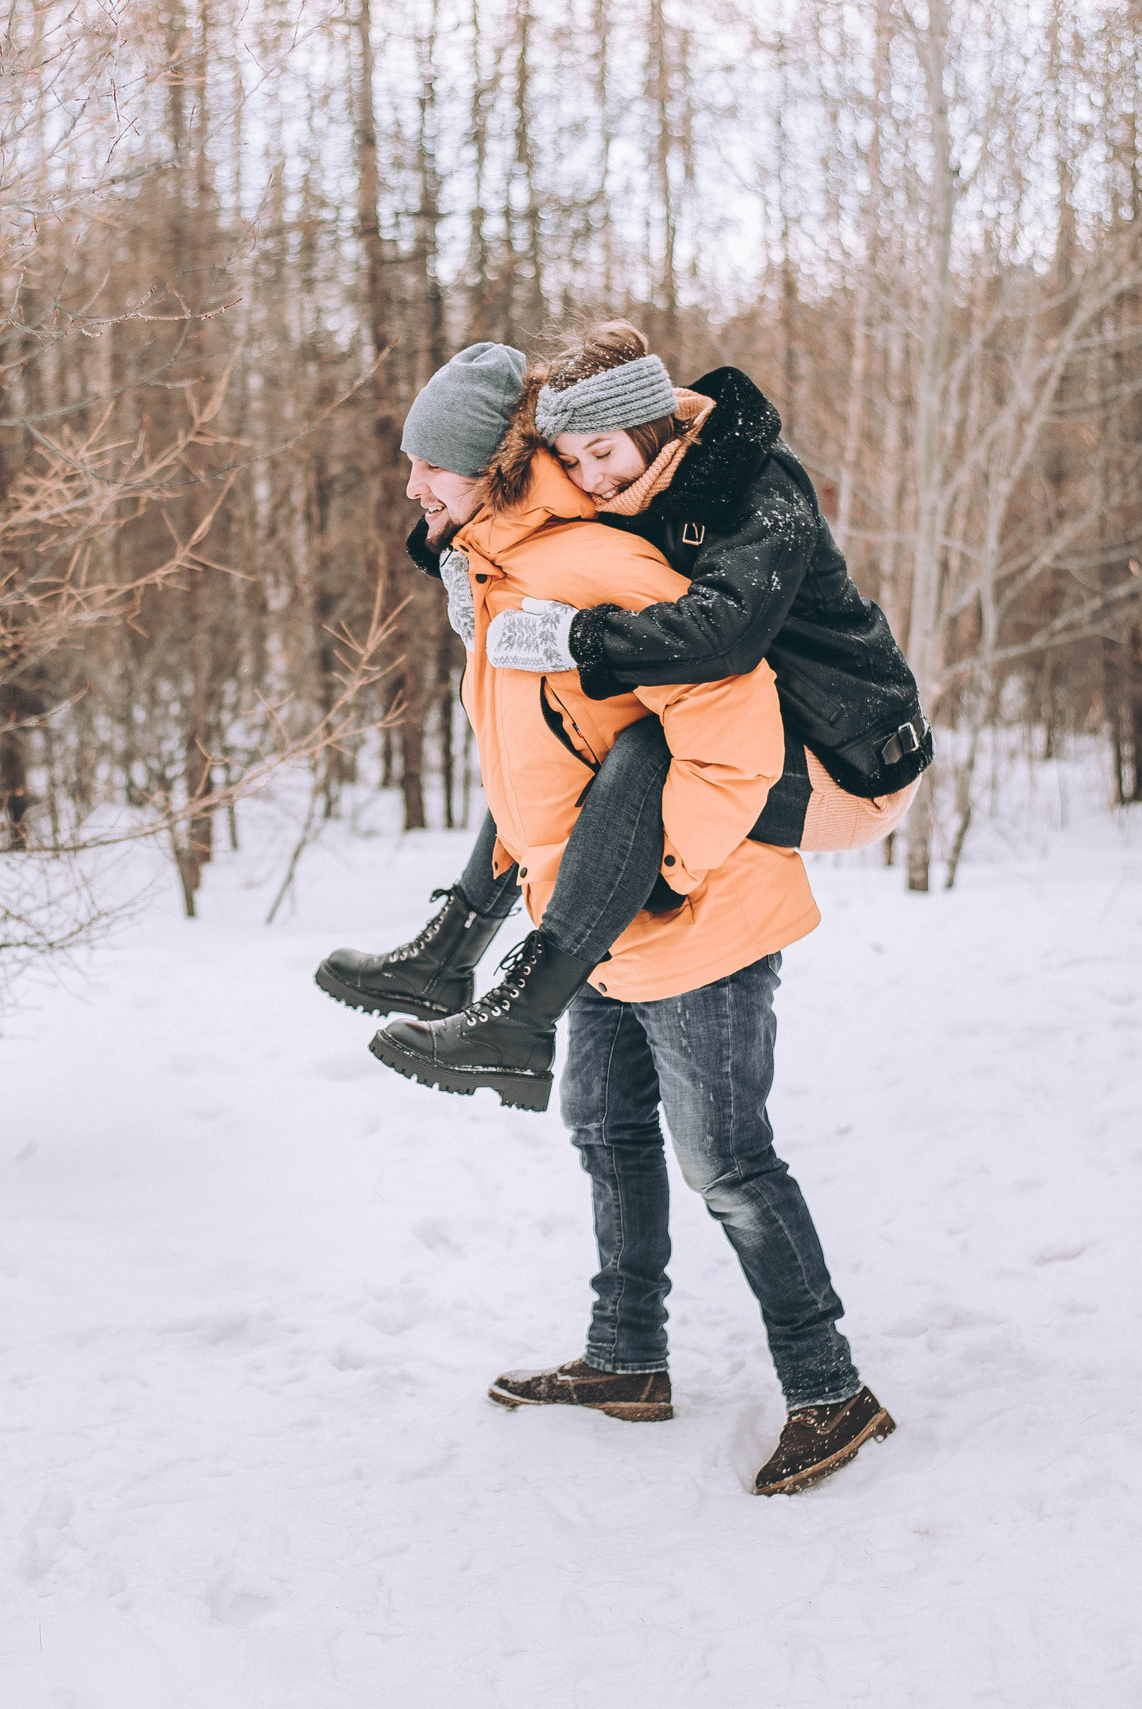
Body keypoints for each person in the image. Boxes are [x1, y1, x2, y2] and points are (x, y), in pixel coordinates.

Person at [355, 345, 896, 1496]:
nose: (409, 485)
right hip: (593, 920)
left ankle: (831, 1387)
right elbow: (542, 770)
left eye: (425, 465)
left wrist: (668, 873)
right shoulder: (508, 572)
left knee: (730, 1167)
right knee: (605, 1132)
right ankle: (625, 1358)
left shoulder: (601, 564)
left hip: (691, 913)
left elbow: (731, 731)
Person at [318, 323, 928, 1105]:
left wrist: (578, 637)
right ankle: (452, 950)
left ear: (648, 424)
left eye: (602, 453)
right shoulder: (635, 489)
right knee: (558, 735)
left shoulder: (751, 483)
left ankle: (528, 1010)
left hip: (854, 766)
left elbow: (727, 638)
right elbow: (516, 522)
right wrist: (470, 577)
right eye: (571, 460)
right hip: (787, 729)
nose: (590, 478)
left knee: (640, 749)